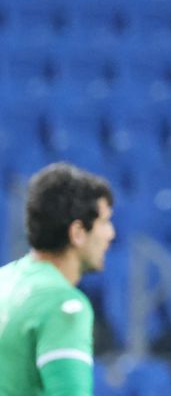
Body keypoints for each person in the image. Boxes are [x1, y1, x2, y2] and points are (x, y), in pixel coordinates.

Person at [0, 162, 115, 396]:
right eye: (104, 222)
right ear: (77, 233)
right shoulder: (63, 305)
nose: (111, 233)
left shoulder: (4, 279)